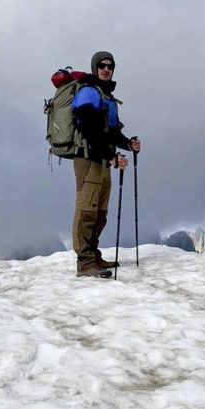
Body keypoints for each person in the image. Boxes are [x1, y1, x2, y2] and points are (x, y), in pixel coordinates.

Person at [71, 51, 141, 277]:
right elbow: (88, 129)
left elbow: (111, 132)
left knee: (100, 212)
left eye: (110, 66)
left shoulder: (107, 97)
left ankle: (93, 256)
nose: (106, 69)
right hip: (88, 158)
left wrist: (127, 144)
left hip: (102, 160)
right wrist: (111, 156)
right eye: (102, 65)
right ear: (95, 67)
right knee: (87, 210)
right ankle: (85, 262)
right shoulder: (88, 92)